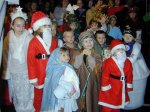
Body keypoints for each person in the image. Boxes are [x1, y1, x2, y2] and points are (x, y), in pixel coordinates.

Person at [2, 6, 34, 112]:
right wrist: (6, 72)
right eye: (18, 25)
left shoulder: (29, 37)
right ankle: (19, 108)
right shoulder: (8, 37)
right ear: (12, 26)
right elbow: (6, 55)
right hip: (14, 70)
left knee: (28, 90)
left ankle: (29, 108)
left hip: (26, 70)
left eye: (23, 25)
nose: (21, 28)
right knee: (18, 91)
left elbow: (32, 54)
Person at [27, 11, 58, 111]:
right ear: (37, 28)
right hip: (39, 73)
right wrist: (33, 78)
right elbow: (30, 61)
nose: (47, 27)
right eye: (44, 25)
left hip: (51, 72)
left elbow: (57, 56)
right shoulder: (33, 42)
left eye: (48, 25)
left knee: (51, 92)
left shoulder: (54, 40)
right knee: (39, 95)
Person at [98, 39, 133, 112]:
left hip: (121, 87)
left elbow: (130, 75)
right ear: (113, 52)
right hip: (111, 87)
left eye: (122, 49)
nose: (121, 51)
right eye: (118, 49)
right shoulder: (108, 62)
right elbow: (105, 76)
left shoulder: (128, 62)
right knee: (108, 105)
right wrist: (106, 88)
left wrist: (129, 86)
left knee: (118, 104)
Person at [41, 47, 80, 112]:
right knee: (58, 108)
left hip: (68, 94)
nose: (67, 57)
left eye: (67, 54)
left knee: (67, 108)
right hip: (57, 95)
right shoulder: (54, 68)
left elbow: (75, 80)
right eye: (63, 55)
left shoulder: (69, 68)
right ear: (57, 56)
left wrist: (73, 90)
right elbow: (50, 82)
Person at [74, 30, 102, 112]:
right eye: (86, 41)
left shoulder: (97, 54)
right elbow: (76, 66)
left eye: (90, 41)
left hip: (93, 83)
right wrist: (82, 55)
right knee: (82, 100)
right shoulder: (78, 54)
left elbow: (97, 69)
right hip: (82, 81)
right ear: (81, 44)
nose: (89, 43)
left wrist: (90, 56)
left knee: (91, 99)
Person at [123, 25, 150, 110]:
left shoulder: (136, 45)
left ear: (134, 37)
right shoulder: (122, 45)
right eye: (125, 36)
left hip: (137, 69)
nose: (127, 38)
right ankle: (126, 103)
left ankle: (136, 103)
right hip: (126, 68)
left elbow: (132, 59)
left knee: (136, 88)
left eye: (130, 36)